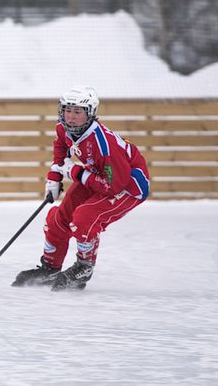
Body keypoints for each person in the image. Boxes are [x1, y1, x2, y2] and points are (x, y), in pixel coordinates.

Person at [12, 85, 150, 291]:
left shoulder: (104, 144)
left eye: (78, 112)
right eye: (67, 110)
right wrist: (54, 178)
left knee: (85, 217)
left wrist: (75, 172)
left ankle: (84, 268)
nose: (71, 117)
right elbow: (61, 147)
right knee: (58, 217)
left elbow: (113, 186)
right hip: (99, 176)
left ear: (90, 114)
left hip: (127, 187)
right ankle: (50, 267)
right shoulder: (64, 128)